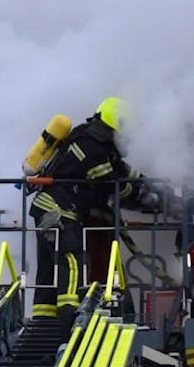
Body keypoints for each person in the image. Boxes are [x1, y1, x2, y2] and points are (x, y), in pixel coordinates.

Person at [29, 96, 159, 342]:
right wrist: (144, 196)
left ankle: (43, 322)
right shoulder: (92, 146)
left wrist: (151, 185)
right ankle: (70, 324)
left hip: (47, 209)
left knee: (48, 270)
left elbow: (124, 172)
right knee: (74, 260)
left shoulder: (95, 142)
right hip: (59, 210)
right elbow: (113, 183)